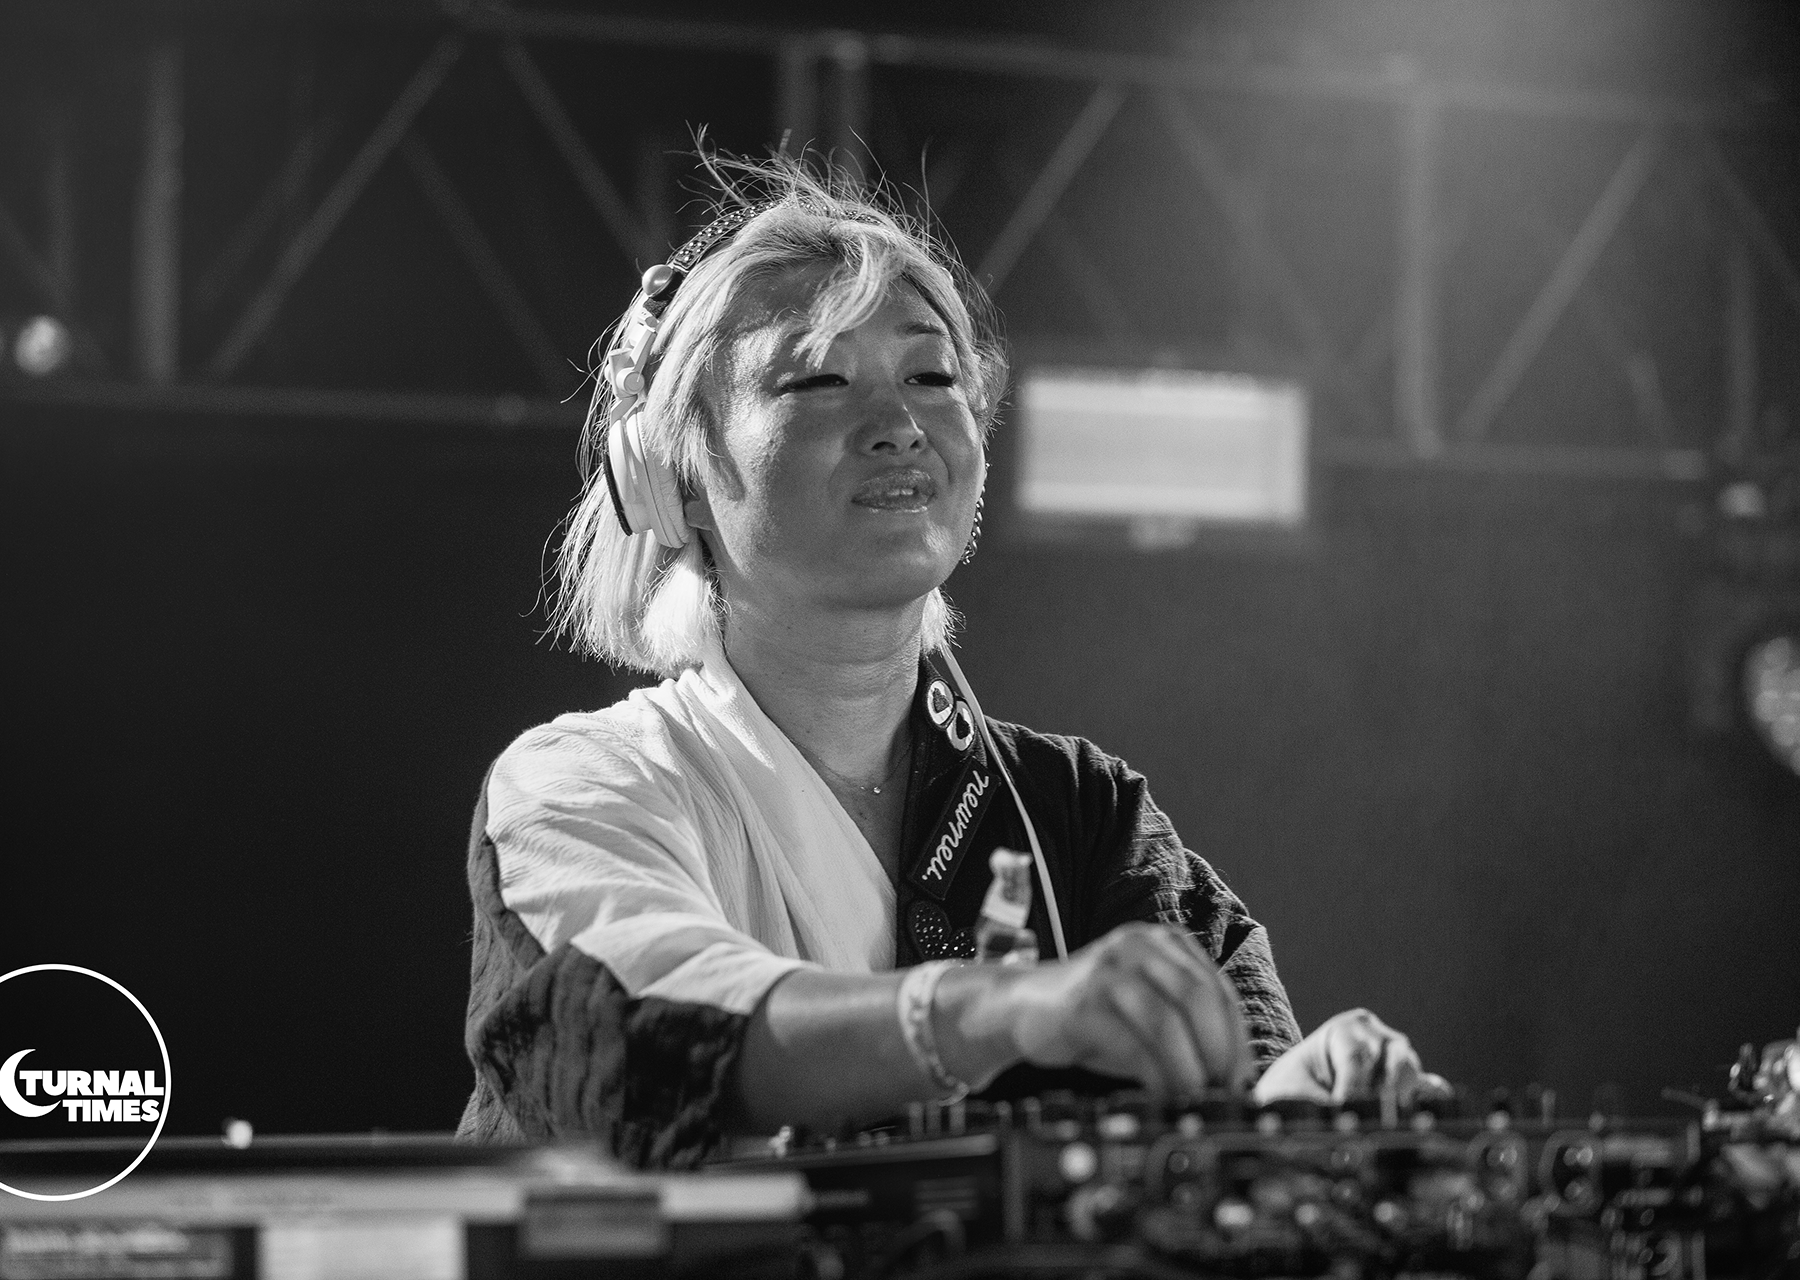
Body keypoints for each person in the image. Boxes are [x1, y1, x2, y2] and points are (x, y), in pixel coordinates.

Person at [456, 156, 1440, 1168]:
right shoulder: (582, 787)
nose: (899, 426)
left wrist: (1295, 1109)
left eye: (932, 377)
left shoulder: (1079, 814)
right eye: (818, 380)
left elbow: (1229, 1095)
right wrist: (987, 1009)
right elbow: (641, 1035)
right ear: (675, 476)